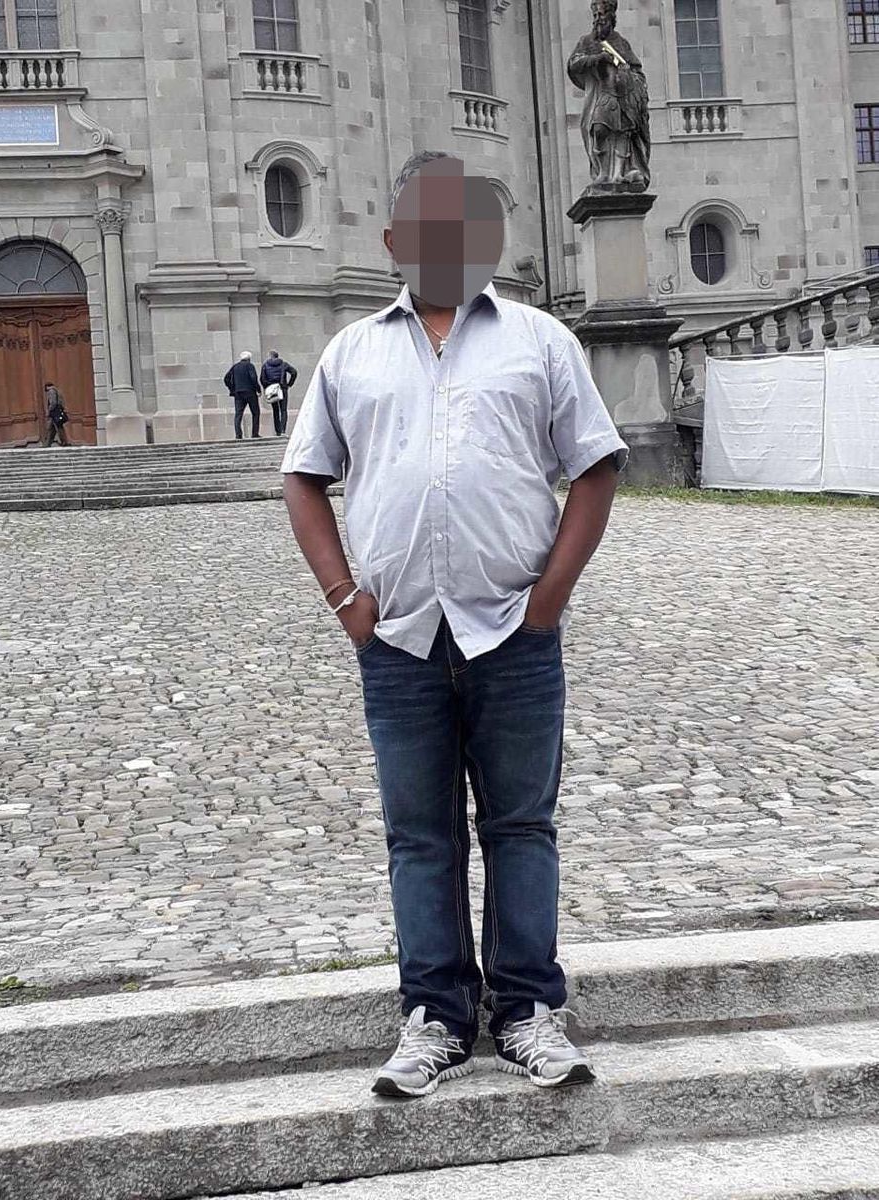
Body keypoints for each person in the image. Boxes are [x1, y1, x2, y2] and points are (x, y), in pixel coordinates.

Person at [283, 151, 628, 1099]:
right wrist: (346, 602)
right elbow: (303, 477)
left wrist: (547, 601)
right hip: (399, 639)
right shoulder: (352, 352)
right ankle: (435, 1014)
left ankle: (525, 1010)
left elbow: (595, 466)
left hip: (514, 632)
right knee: (420, 834)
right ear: (393, 241)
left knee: (521, 825)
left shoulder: (540, 341)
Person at [567, 0, 651, 190]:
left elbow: (637, 71)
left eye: (602, 15)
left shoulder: (621, 42)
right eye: (595, 15)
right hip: (602, 95)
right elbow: (574, 63)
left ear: (611, 17)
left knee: (623, 134)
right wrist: (598, 58)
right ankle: (603, 172)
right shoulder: (587, 41)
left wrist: (626, 73)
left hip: (622, 99)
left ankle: (618, 173)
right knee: (598, 129)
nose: (598, 19)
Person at [223, 351, 261, 440]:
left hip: (238, 393)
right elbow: (253, 378)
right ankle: (255, 433)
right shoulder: (250, 366)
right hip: (250, 392)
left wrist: (232, 389)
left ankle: (238, 434)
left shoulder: (235, 367)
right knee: (255, 413)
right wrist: (258, 389)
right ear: (249, 359)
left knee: (238, 414)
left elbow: (226, 378)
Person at [260, 349, 298, 437]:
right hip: (282, 388)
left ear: (270, 356)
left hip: (272, 389)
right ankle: (283, 430)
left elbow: (262, 379)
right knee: (283, 410)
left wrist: (267, 386)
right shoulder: (284, 364)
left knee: (275, 410)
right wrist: (289, 384)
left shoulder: (265, 365)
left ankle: (278, 431)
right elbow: (294, 372)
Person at [42, 381, 69, 447]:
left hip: (54, 413)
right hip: (56, 412)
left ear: (47, 387)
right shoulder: (57, 391)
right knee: (52, 428)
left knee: (57, 428)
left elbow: (53, 403)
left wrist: (49, 411)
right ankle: (47, 444)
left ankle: (64, 442)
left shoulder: (51, 391)